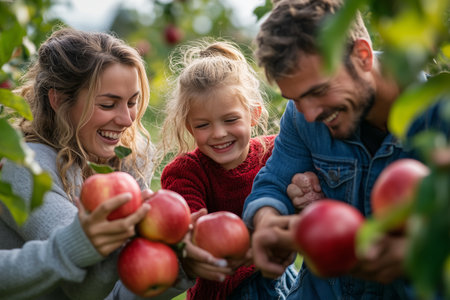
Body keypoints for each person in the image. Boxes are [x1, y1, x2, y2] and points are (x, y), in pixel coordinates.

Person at [242, 0, 449, 299]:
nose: (309, 114)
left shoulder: (440, 115)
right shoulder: (301, 114)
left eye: (318, 91)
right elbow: (273, 181)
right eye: (296, 98)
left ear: (362, 56)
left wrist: (419, 249)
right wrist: (266, 221)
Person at [0, 27, 194, 300]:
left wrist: (180, 263)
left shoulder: (123, 164)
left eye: (132, 102)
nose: (127, 120)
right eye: (107, 105)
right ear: (58, 100)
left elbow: (117, 292)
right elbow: (85, 288)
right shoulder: (27, 169)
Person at [157, 39, 297, 300]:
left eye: (230, 120)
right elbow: (191, 234)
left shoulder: (274, 152)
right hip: (225, 291)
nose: (219, 134)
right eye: (203, 125)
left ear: (253, 115)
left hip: (282, 281)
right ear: (189, 127)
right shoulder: (186, 172)